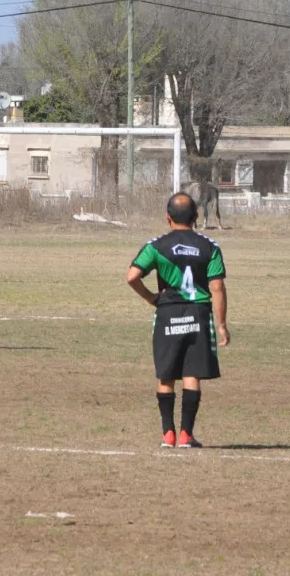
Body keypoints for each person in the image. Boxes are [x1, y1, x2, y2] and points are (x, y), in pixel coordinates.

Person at [126, 192, 230, 449]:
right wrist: (222, 324)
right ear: (196, 217)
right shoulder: (210, 247)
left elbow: (132, 276)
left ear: (168, 217)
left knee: (167, 374)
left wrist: (152, 297)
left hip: (167, 313)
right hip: (199, 314)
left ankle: (167, 434)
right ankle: (186, 435)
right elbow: (217, 288)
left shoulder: (156, 245)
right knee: (191, 372)